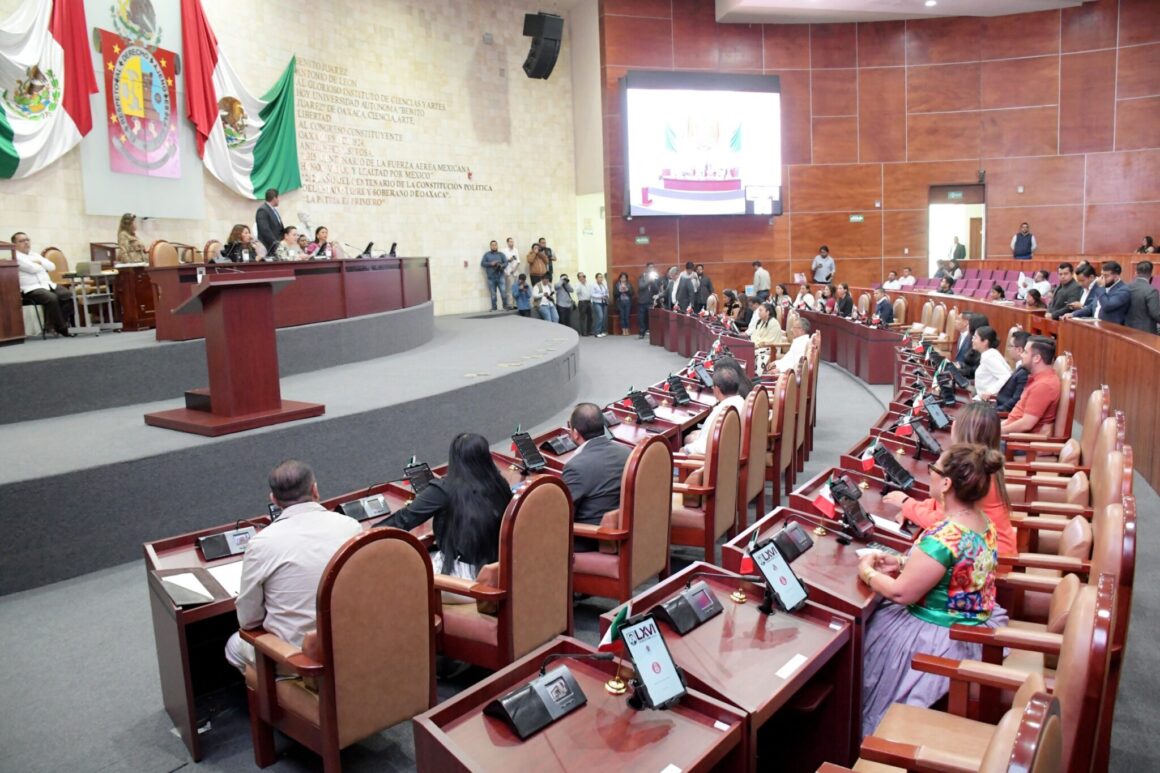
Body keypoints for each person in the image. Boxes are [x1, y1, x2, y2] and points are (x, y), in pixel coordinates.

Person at [860, 443, 1005, 735]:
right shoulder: (982, 522)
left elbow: (902, 594)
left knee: (865, 636)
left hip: (939, 637)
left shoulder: (944, 535)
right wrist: (903, 562)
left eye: (934, 470)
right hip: (975, 626)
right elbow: (955, 570)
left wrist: (866, 571)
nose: (931, 476)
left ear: (947, 483)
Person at [224, 460, 361, 671]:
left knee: (234, 645)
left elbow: (249, 621)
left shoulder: (261, 544)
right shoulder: (350, 526)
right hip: (354, 645)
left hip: (301, 663)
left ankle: (276, 698)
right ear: (315, 490)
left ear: (274, 500)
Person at [375, 434, 508, 589]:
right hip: (500, 573)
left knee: (397, 575)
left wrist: (363, 537)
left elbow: (403, 520)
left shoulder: (444, 489)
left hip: (464, 582)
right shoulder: (501, 484)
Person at [884, 403, 1016, 556]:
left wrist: (906, 504)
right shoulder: (984, 465)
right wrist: (915, 509)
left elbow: (943, 523)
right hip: (991, 550)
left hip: (989, 560)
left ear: (957, 429)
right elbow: (941, 504)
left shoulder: (969, 472)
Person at [562, 403, 632, 552]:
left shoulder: (576, 467)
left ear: (575, 433)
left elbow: (562, 517)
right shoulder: (627, 452)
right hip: (628, 533)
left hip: (593, 540)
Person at [13, 232, 74, 336]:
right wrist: (41, 264)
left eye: (27, 240)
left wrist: (40, 262)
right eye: (22, 241)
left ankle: (56, 325)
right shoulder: (16, 256)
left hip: (47, 285)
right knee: (52, 298)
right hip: (31, 289)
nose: (26, 243)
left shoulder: (34, 254)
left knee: (68, 296)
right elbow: (32, 269)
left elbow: (52, 267)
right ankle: (63, 328)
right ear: (15, 244)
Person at [1001, 336, 1060, 435]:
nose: (1022, 355)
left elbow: (1026, 424)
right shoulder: (1037, 379)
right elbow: (1016, 416)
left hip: (1018, 442)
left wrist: (998, 432)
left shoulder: (1044, 385)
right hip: (1011, 433)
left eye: (1025, 352)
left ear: (1036, 358)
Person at [683, 367, 745, 455]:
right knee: (692, 435)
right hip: (732, 446)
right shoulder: (742, 402)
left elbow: (704, 448)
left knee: (685, 445)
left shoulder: (721, 413)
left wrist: (685, 449)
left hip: (719, 457)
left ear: (717, 389)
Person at [993, 330, 1030, 411]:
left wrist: (995, 411)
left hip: (1002, 412)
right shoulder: (1019, 367)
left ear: (1019, 350)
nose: (1008, 349)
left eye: (1010, 346)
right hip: (997, 405)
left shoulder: (1024, 372)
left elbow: (1015, 401)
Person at [970, 326, 1012, 398]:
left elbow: (1006, 375)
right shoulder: (990, 353)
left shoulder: (989, 357)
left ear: (985, 342)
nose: (972, 340)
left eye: (975, 337)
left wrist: (990, 392)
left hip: (987, 401)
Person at [748, 302, 787, 371]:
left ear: (767, 312)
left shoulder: (773, 323)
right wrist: (753, 344)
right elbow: (754, 335)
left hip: (770, 349)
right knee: (746, 351)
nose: (758, 313)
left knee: (751, 353)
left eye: (761, 310)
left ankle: (757, 375)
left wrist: (756, 345)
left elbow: (770, 341)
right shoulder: (760, 321)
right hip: (759, 346)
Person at [1125, 261, 1160, 334]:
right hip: (1145, 331)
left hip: (1127, 327)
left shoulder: (1127, 287)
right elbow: (1156, 314)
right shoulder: (1151, 291)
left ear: (1136, 272)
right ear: (1151, 274)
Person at [255, 188, 283, 256]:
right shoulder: (262, 210)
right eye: (278, 197)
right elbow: (265, 230)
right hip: (268, 247)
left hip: (277, 247)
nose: (279, 200)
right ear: (274, 198)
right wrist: (275, 244)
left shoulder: (273, 210)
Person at [481, 240, 507, 311]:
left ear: (497, 246)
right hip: (491, 277)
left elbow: (506, 262)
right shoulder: (487, 255)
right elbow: (482, 263)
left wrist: (501, 265)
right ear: (490, 246)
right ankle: (494, 307)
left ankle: (505, 306)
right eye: (492, 245)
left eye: (495, 245)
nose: (494, 246)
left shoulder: (501, 254)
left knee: (503, 292)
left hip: (500, 276)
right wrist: (491, 263)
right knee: (493, 294)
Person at [637, 263, 661, 337]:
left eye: (653, 267)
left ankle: (651, 332)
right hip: (642, 301)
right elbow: (641, 286)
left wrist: (653, 282)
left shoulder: (656, 277)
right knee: (641, 318)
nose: (652, 268)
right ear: (647, 268)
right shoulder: (642, 276)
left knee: (650, 318)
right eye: (650, 267)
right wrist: (649, 281)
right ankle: (641, 333)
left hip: (650, 301)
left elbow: (657, 290)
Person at [502, 237, 521, 306]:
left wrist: (515, 269)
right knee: (510, 289)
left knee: (516, 288)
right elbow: (503, 262)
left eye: (512, 242)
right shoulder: (504, 251)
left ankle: (515, 304)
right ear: (507, 243)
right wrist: (508, 260)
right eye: (510, 242)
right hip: (508, 272)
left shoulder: (515, 250)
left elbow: (518, 261)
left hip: (515, 272)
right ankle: (510, 304)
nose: (512, 243)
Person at [591, 272, 609, 336]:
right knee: (600, 317)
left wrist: (606, 296)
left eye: (601, 277)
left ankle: (601, 331)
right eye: (599, 277)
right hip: (597, 302)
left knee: (603, 317)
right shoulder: (593, 285)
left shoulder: (604, 285)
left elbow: (606, 292)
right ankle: (597, 332)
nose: (601, 278)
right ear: (596, 278)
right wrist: (600, 296)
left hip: (603, 302)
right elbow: (592, 294)